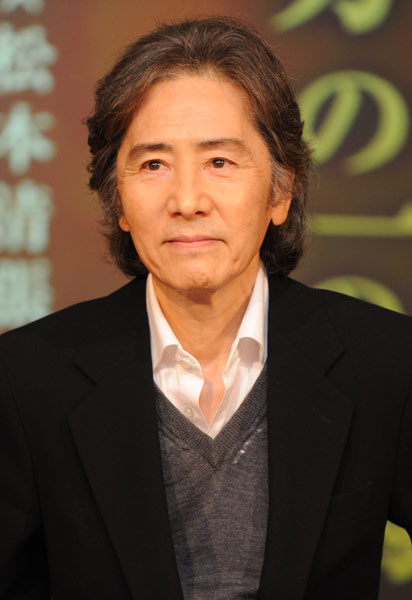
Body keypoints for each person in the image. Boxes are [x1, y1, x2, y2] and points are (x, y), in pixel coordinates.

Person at [0, 16, 411, 600]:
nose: (187, 200)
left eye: (219, 162)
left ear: (281, 191)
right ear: (118, 202)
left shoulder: (386, 361)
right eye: (154, 165)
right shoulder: (26, 377)